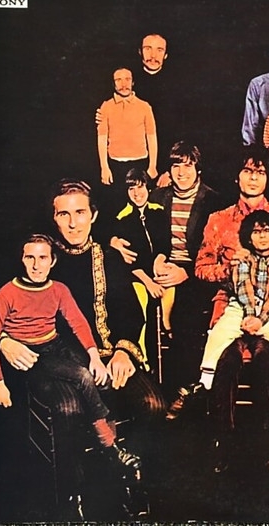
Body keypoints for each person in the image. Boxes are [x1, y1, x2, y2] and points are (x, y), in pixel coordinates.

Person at [0, 179, 166, 518]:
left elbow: (130, 312)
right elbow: (2, 305)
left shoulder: (109, 258)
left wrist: (123, 352)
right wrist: (4, 340)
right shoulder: (40, 258)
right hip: (56, 363)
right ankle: (71, 495)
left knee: (153, 404)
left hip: (108, 357)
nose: (73, 223)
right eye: (64, 214)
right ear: (53, 218)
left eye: (80, 212)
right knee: (69, 409)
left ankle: (128, 478)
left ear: (94, 215)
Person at [191, 146, 269, 472]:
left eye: (260, 172)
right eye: (247, 171)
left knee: (266, 359)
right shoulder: (218, 220)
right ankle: (223, 442)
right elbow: (200, 268)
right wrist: (228, 270)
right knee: (227, 359)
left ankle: (267, 442)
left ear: (268, 178)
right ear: (237, 176)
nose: (253, 178)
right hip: (231, 306)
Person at [0, 234, 140, 472]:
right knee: (82, 376)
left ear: (52, 261)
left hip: (56, 344)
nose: (36, 265)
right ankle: (111, 447)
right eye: (30, 258)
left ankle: (110, 455)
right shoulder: (7, 293)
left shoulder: (58, 289)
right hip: (33, 353)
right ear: (21, 260)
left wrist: (95, 357)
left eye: (43, 258)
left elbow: (78, 323)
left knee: (102, 378)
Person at [111, 142, 221, 400]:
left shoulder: (214, 201)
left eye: (188, 166)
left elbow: (217, 251)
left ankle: (183, 391)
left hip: (195, 271)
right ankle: (148, 384)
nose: (181, 173)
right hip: (158, 267)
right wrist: (113, 241)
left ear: (198, 169)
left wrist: (187, 272)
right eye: (176, 166)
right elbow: (126, 223)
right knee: (136, 305)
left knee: (185, 314)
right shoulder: (157, 197)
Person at [169, 210, 269, 417]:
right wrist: (249, 314)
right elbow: (242, 288)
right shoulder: (242, 260)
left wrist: (260, 319)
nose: (262, 236)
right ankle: (205, 380)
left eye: (266, 231)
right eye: (256, 232)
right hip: (240, 307)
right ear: (248, 236)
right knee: (219, 333)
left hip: (267, 311)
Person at [112, 168, 173, 366]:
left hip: (156, 268)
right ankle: (142, 356)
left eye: (141, 187)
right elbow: (131, 261)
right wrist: (148, 282)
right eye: (131, 189)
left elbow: (165, 244)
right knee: (141, 304)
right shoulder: (123, 218)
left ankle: (167, 326)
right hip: (137, 275)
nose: (137, 193)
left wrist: (159, 261)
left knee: (171, 284)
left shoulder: (158, 211)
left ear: (148, 188)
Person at [97, 67, 158, 215]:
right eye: (118, 80)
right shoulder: (106, 107)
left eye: (127, 79)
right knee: (118, 208)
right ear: (113, 84)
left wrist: (152, 166)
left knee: (142, 205)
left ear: (133, 82)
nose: (123, 84)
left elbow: (151, 136)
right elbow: (102, 138)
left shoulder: (144, 106)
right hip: (116, 166)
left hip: (140, 163)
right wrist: (104, 167)